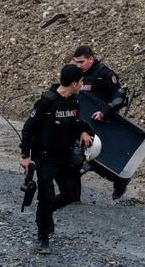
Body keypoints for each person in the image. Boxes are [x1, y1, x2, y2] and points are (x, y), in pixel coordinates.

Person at [20, 64, 95, 254]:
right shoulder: (46, 102)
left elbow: (75, 123)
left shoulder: (74, 101)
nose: (82, 84)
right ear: (73, 83)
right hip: (45, 156)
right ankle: (43, 237)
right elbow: (28, 128)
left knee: (71, 194)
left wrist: (84, 132)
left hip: (66, 156)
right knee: (46, 196)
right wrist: (25, 156)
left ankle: (44, 215)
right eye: (80, 81)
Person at [74, 45, 130, 200]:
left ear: (91, 59)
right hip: (82, 122)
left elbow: (119, 96)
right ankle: (72, 194)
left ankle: (119, 179)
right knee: (76, 156)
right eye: (76, 63)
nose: (79, 66)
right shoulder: (78, 76)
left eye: (81, 62)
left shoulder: (105, 74)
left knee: (95, 159)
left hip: (103, 123)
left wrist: (105, 112)